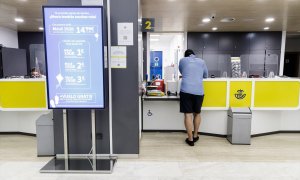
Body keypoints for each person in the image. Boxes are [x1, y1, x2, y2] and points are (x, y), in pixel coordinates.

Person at [179, 49, 208, 146]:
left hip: (186, 90)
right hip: (198, 91)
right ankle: (195, 135)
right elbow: (206, 75)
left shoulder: (182, 60)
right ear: (194, 55)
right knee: (197, 113)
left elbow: (182, 71)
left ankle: (190, 139)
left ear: (185, 55)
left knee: (188, 115)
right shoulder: (202, 61)